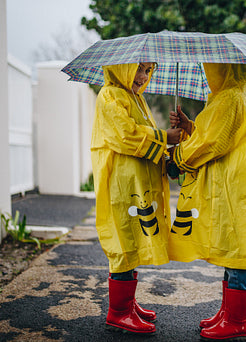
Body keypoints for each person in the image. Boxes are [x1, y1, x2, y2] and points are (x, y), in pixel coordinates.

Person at [168, 63, 246, 341]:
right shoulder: (227, 97)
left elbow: (212, 142)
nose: (207, 72)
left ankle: (238, 321)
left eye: (212, 68)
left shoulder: (229, 98)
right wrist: (190, 126)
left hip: (237, 189)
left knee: (236, 256)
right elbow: (212, 133)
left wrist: (178, 159)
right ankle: (228, 313)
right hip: (234, 188)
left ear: (224, 69)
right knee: (230, 253)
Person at [91, 62, 182, 334]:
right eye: (138, 69)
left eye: (148, 70)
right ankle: (118, 312)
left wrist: (169, 148)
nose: (143, 77)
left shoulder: (136, 97)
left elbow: (144, 138)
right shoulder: (109, 95)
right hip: (122, 183)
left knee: (133, 239)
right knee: (123, 242)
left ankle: (127, 304)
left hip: (137, 182)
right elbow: (125, 136)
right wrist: (166, 135)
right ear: (121, 68)